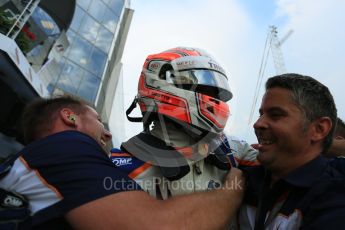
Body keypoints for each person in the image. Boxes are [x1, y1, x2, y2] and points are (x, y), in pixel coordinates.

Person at [0, 95, 245, 229]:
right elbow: (159, 225)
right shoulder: (65, 146)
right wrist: (232, 190)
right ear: (70, 116)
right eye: (99, 121)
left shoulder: (35, 161)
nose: (107, 135)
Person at [110, 47, 257, 200]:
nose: (213, 98)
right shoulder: (122, 166)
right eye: (204, 87)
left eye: (215, 92)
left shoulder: (231, 149)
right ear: (159, 82)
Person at [237, 73, 345, 229]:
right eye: (261, 114)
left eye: (276, 115)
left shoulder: (334, 198)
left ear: (319, 129)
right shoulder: (242, 179)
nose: (258, 124)